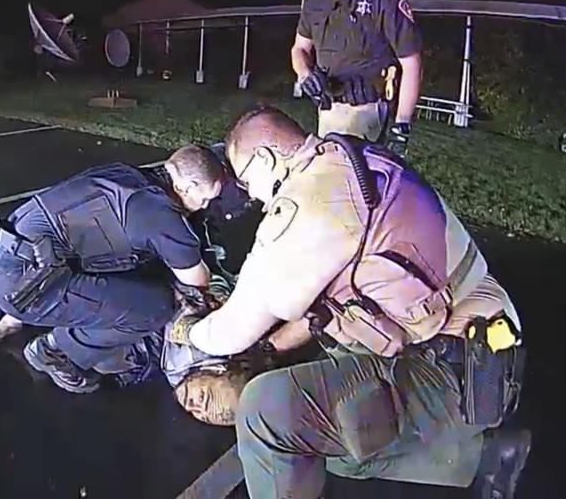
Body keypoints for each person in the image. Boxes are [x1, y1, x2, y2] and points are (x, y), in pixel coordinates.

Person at [168, 107, 530, 498]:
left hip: (455, 371)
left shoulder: (305, 206)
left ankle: (463, 443)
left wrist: (187, 330)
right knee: (324, 432)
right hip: (485, 349)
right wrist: (270, 348)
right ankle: (485, 457)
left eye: (245, 180)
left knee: (265, 410)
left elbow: (229, 332)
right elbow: (323, 311)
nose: (252, 196)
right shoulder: (351, 162)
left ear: (266, 160)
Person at [0, 145, 225, 393]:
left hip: (4, 256)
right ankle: (55, 350)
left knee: (122, 264)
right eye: (204, 198)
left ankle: (14, 321)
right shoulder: (160, 215)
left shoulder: (124, 175)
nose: (204, 206)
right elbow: (197, 280)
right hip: (23, 286)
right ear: (186, 186)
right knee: (157, 307)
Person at [293, 0, 423, 156]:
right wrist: (304, 73)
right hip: (328, 110)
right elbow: (300, 48)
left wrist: (402, 125)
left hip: (369, 110)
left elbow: (411, 62)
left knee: (361, 186)